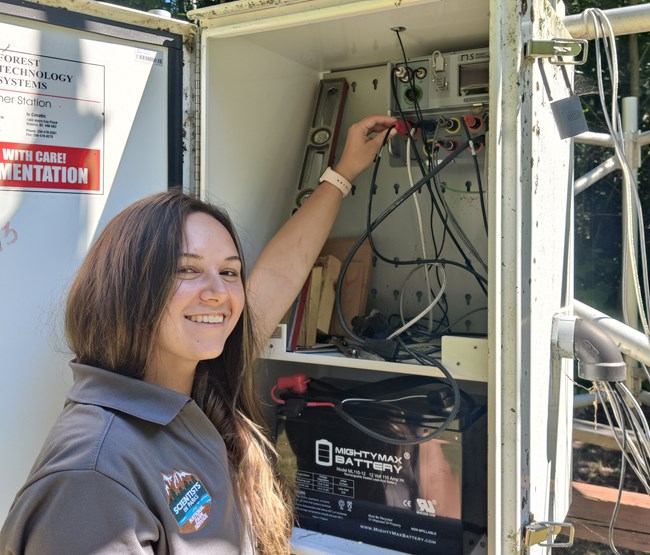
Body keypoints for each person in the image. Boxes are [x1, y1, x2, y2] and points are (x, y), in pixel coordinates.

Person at [0, 115, 396, 555]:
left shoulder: (200, 385)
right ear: (127, 289)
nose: (218, 293)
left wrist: (343, 174)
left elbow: (281, 274)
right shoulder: (92, 476)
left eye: (229, 272)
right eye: (187, 270)